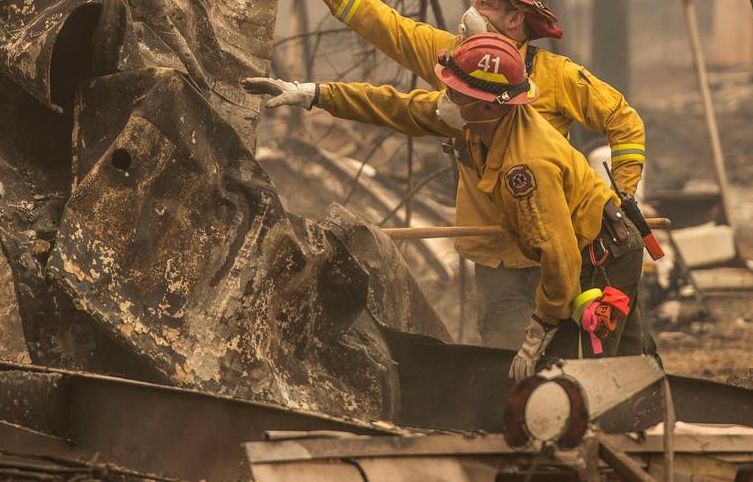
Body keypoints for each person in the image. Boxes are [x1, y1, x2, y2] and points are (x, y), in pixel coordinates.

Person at [263, 0, 646, 350]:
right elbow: (384, 32)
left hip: (562, 240)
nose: (473, 11)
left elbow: (623, 121)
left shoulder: (556, 79)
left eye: (487, 3)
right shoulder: (460, 63)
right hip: (495, 252)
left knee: (593, 350)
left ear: (516, 18)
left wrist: (621, 195)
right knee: (505, 357)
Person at [244, 34, 646, 379]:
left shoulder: (526, 168)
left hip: (601, 254)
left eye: (457, 93)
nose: (446, 99)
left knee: (578, 376)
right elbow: (395, 106)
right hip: (587, 246)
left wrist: (538, 332)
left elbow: (559, 259)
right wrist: (311, 94)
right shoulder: (479, 120)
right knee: (602, 364)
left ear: (491, 104)